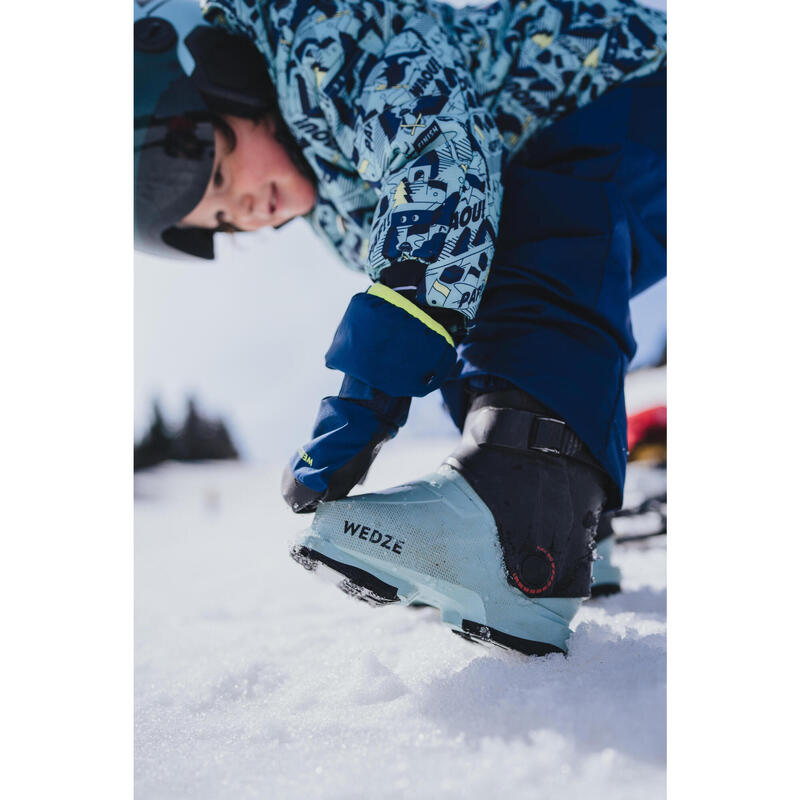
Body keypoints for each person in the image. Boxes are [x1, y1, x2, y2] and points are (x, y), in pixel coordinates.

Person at [134, 0, 666, 655]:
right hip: (611, 159)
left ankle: (525, 513)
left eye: (218, 173)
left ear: (224, 79)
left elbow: (440, 166)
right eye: (217, 221)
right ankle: (570, 521)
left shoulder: (320, 39)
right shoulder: (327, 197)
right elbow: (455, 289)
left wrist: (368, 391)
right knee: (488, 296)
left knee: (517, 231)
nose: (240, 211)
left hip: (631, 89)